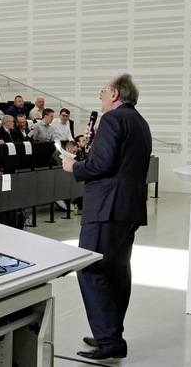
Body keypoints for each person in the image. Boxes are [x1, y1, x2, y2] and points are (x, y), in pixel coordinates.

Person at [60, 74, 152, 361]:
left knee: (90, 267)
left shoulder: (112, 120)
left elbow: (102, 164)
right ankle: (110, 331)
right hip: (129, 207)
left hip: (107, 208)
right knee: (117, 270)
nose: (100, 97)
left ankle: (109, 340)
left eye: (102, 92)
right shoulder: (139, 121)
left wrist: (74, 166)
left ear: (114, 94)